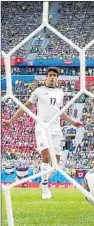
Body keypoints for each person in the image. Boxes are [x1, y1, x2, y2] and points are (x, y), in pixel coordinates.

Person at [3, 67, 83, 199]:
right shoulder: (38, 91)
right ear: (46, 77)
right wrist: (11, 121)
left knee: (56, 165)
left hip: (56, 129)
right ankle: (45, 189)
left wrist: (73, 122)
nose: (52, 77)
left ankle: (43, 180)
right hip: (42, 127)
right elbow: (25, 107)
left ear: (57, 78)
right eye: (50, 75)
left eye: (54, 75)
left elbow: (60, 112)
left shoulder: (60, 92)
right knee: (45, 154)